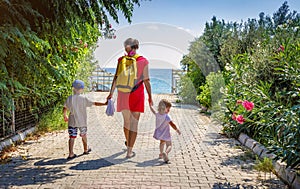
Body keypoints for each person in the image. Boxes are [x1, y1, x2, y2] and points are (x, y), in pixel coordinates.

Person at [107, 38, 153, 158]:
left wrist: (111, 93)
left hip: (123, 94)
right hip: (137, 94)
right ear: (136, 47)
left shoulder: (121, 60)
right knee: (134, 123)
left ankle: (128, 142)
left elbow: (116, 78)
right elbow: (146, 80)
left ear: (126, 47)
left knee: (126, 122)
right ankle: (129, 151)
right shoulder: (143, 61)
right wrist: (150, 97)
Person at [63, 79, 107, 160]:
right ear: (82, 89)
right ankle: (85, 150)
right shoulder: (83, 98)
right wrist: (104, 103)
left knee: (72, 137)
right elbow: (94, 103)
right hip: (82, 121)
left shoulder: (69, 98)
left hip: (72, 121)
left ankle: (71, 153)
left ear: (73, 88)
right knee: (84, 135)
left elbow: (65, 108)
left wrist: (65, 116)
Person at [150, 99, 181, 163]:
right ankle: (166, 153)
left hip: (159, 132)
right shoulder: (167, 116)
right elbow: (172, 124)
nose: (169, 111)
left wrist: (150, 106)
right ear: (164, 108)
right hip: (166, 133)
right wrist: (177, 130)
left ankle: (161, 154)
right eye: (168, 109)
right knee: (169, 145)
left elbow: (153, 111)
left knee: (162, 143)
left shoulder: (157, 114)